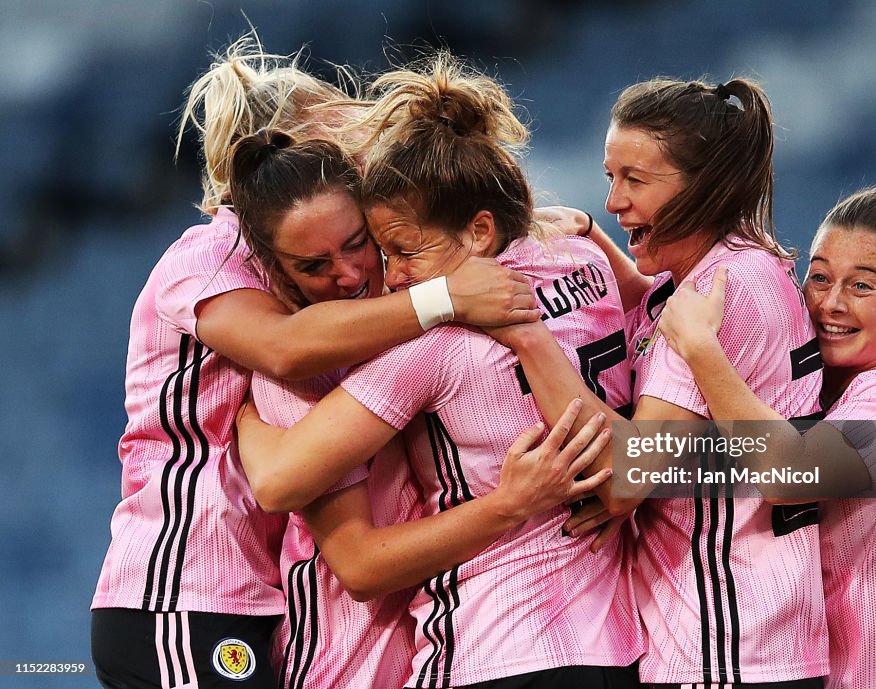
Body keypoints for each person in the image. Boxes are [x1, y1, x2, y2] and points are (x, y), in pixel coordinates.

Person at [89, 35, 540, 689]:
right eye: (344, 155)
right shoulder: (217, 259)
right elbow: (285, 359)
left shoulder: (538, 270)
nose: (363, 169)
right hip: (184, 590)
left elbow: (630, 461)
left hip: (274, 603)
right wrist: (446, 293)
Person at [235, 52, 644, 688]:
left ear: (479, 231)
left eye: (404, 249)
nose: (393, 277)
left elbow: (283, 482)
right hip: (621, 642)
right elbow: (653, 461)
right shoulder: (586, 261)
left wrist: (248, 426)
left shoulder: (439, 341)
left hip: (493, 641)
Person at [498, 77, 830, 687]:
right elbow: (651, 312)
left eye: (635, 180)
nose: (614, 201)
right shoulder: (736, 267)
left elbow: (627, 477)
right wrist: (587, 237)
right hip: (754, 638)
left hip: (725, 647)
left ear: (701, 187)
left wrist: (524, 332)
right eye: (609, 178)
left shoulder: (714, 296)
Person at [657, 185, 876, 689]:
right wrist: (591, 238)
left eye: (862, 287)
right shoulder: (812, 381)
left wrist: (700, 347)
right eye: (819, 278)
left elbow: (790, 476)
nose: (831, 304)